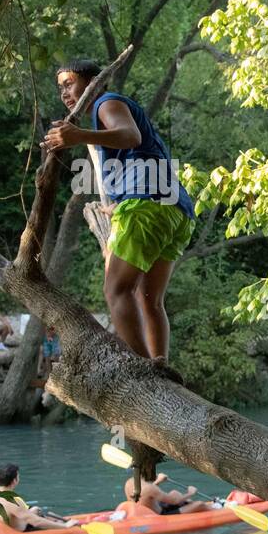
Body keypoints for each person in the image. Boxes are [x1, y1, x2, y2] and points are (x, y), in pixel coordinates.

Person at [42, 59, 195, 365]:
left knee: (115, 290)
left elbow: (130, 135)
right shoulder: (104, 116)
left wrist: (78, 135)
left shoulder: (106, 102)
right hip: (175, 209)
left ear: (94, 83)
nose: (65, 93)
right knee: (148, 298)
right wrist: (117, 204)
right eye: (61, 87)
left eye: (70, 83)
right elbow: (137, 152)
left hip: (146, 204)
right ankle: (159, 362)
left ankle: (141, 371)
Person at [0, 464, 76, 531]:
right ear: (14, 480)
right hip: (23, 530)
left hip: (8, 528)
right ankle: (65, 522)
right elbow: (36, 522)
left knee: (36, 510)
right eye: (18, 476)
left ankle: (61, 520)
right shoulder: (11, 501)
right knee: (44, 515)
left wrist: (30, 512)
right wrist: (65, 526)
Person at [123, 472, 214, 515]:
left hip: (144, 511)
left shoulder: (129, 482)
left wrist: (158, 481)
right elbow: (174, 501)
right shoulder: (150, 488)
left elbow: (145, 494)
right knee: (200, 504)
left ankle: (192, 505)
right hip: (160, 515)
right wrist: (190, 492)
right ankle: (220, 509)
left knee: (175, 493)